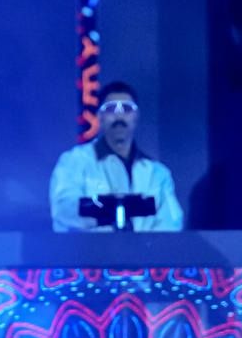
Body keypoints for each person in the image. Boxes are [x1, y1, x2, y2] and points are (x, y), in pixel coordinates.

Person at [49, 81, 184, 232]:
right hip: (92, 247)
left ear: (136, 116)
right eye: (111, 108)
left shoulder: (157, 173)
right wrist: (108, 212)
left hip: (144, 248)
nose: (119, 116)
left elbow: (170, 224)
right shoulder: (75, 161)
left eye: (126, 109)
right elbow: (63, 209)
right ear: (99, 116)